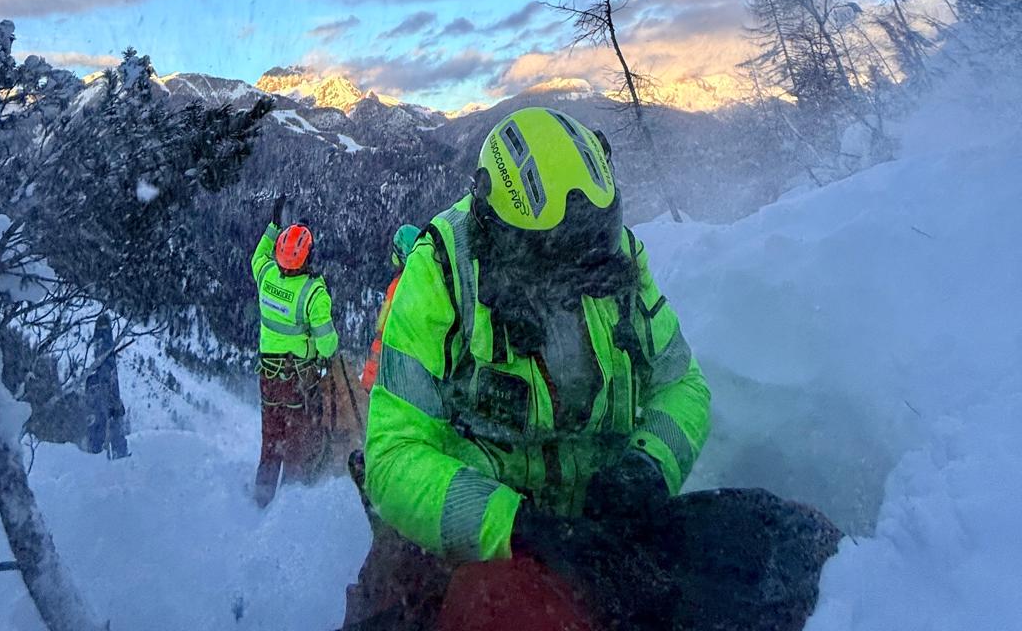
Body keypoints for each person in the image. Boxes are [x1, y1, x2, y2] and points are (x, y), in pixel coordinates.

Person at [343, 106, 838, 631]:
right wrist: (517, 525)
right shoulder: (443, 271)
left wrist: (646, 469)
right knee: (482, 609)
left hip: (606, 525)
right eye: (559, 253)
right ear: (503, 233)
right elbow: (393, 458)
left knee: (787, 543)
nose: (581, 271)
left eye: (593, 244)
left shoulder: (612, 256)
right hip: (485, 537)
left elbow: (681, 385)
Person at [250, 195, 339, 507]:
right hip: (298, 381)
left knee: (271, 438)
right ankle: (289, 507)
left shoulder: (266, 276)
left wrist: (274, 226)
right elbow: (328, 344)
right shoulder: (313, 293)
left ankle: (262, 498)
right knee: (298, 443)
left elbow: (258, 256)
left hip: (268, 378)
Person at [360, 224, 422, 391]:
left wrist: (368, 383)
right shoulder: (429, 286)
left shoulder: (397, 288)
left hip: (395, 375)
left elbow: (381, 333)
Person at [85, 312, 129, 460]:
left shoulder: (99, 351)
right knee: (111, 423)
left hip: (98, 392)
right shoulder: (106, 356)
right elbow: (109, 373)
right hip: (105, 391)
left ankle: (97, 455)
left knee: (98, 425)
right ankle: (118, 455)